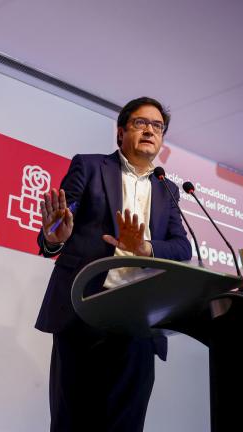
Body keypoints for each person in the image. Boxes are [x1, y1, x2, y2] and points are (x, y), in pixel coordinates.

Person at [36, 96, 191, 431]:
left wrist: (144, 247)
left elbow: (182, 248)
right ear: (121, 132)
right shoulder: (89, 167)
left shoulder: (167, 189)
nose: (150, 130)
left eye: (157, 126)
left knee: (126, 424)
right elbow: (61, 220)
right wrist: (55, 237)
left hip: (139, 322)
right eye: (140, 123)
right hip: (84, 312)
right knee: (72, 421)